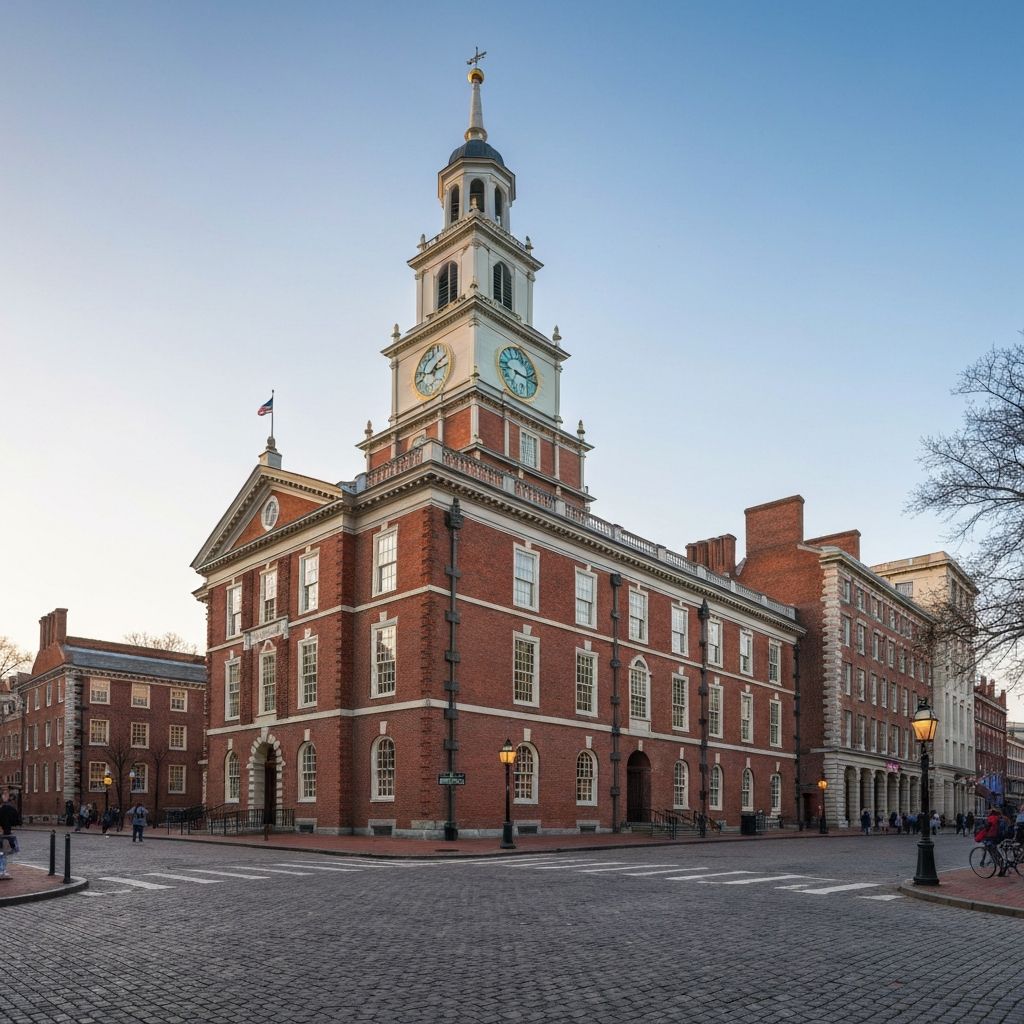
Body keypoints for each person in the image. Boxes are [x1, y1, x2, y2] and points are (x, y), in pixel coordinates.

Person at [0, 792, 21, 880]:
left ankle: (2, 871)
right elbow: (16, 820)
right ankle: (2, 871)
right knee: (2, 853)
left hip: (4, 832)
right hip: (4, 833)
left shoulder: (6, 808)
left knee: (2, 853)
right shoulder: (8, 808)